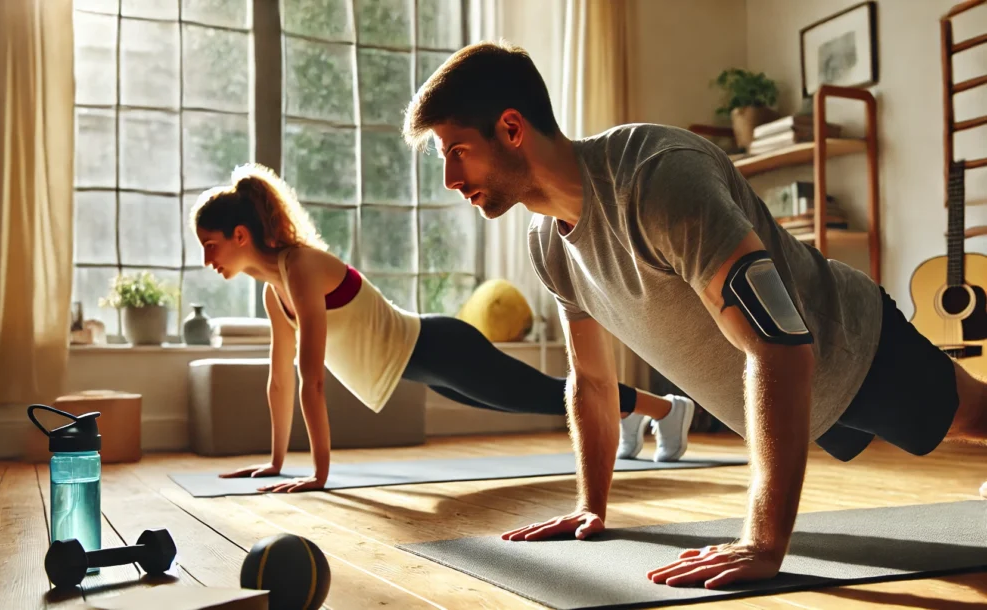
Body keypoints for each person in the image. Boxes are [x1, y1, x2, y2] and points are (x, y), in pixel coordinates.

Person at [400, 40, 987, 590]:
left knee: (975, 417)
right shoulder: (547, 243)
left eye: (458, 153)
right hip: (794, 398)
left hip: (852, 348)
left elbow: (777, 342)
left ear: (510, 128)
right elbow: (594, 381)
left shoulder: (657, 178)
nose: (452, 180)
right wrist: (591, 505)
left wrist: (762, 539)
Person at [188, 163, 698, 493]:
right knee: (539, 395)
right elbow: (280, 379)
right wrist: (278, 464)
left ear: (239, 234)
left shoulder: (299, 267)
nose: (207, 258)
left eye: (210, 244)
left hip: (439, 347)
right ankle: (636, 414)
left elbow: (312, 378)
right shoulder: (272, 291)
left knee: (544, 395)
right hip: (424, 365)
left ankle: (667, 410)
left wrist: (319, 476)